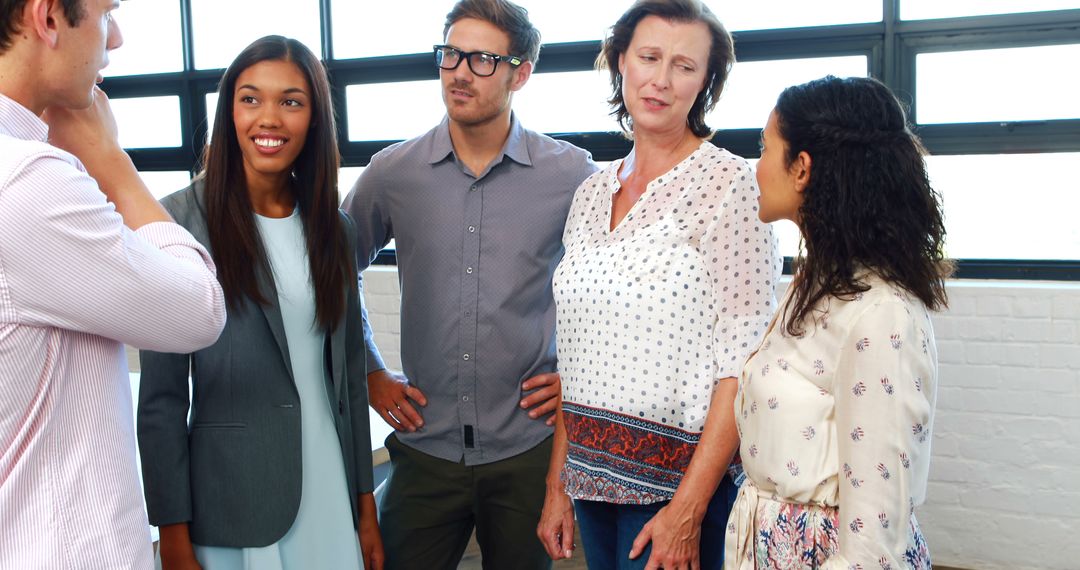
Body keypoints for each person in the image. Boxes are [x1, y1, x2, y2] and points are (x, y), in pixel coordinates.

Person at [341, 0, 598, 567]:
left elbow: (612, 291)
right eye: (451, 54)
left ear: (520, 72)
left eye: (482, 59)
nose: (459, 71)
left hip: (525, 450)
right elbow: (332, 271)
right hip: (424, 448)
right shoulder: (392, 173)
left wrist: (581, 381)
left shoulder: (572, 175)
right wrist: (370, 370)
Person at [538, 1, 781, 569]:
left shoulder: (729, 185)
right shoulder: (591, 192)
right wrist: (557, 485)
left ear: (706, 83)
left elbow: (741, 363)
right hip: (592, 482)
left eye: (685, 66)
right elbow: (575, 357)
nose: (662, 80)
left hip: (681, 491)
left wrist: (689, 509)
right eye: (649, 57)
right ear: (620, 61)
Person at [137, 36, 383, 570]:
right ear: (229, 111)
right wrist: (171, 533)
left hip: (328, 492)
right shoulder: (177, 222)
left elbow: (348, 376)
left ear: (315, 118)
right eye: (251, 99)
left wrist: (364, 509)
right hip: (230, 504)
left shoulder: (334, 230)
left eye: (291, 102)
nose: (268, 119)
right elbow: (161, 398)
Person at [0, 0, 226, 568]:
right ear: (48, 19)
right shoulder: (28, 183)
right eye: (107, 12)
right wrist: (111, 161)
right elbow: (198, 310)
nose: (116, 38)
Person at [724, 75, 949, 569]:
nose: (755, 167)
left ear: (801, 168)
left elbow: (872, 549)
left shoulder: (881, 314)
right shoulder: (816, 282)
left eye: (765, 149)